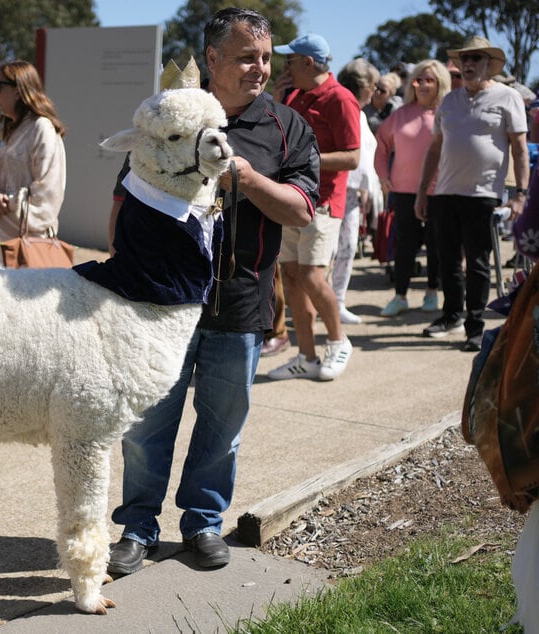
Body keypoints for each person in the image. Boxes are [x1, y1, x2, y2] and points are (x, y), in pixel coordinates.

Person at [106, 7, 317, 575]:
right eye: (248, 56)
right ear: (213, 60)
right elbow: (122, 205)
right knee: (148, 423)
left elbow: (300, 210)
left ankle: (202, 523)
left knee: (222, 428)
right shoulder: (169, 114)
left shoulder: (287, 127)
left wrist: (246, 178)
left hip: (241, 301)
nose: (261, 68)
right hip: (161, 303)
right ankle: (137, 528)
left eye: (267, 58)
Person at [415, 36, 530, 351]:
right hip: (446, 192)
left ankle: (475, 327)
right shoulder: (449, 101)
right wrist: (423, 191)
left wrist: (520, 194)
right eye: (464, 59)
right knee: (447, 261)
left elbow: (520, 150)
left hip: (483, 195)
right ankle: (451, 315)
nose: (468, 64)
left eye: (475, 59)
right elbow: (434, 149)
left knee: (478, 264)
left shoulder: (507, 98)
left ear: (488, 64)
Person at [269, 32, 359, 381]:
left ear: (307, 63)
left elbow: (352, 157)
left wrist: (309, 160)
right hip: (293, 198)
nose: (285, 66)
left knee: (309, 274)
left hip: (322, 204)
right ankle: (306, 357)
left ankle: (338, 342)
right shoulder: (294, 95)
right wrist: (277, 101)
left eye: (290, 60)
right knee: (291, 276)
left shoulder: (340, 99)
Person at [374, 60, 451, 317]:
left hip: (439, 191)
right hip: (404, 191)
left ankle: (432, 292)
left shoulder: (447, 113)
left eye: (430, 80)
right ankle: (400, 296)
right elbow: (381, 146)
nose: (423, 85)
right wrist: (383, 176)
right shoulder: (401, 114)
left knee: (436, 244)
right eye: (419, 79)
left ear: (440, 83)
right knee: (405, 245)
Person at [0, 60, 66, 265]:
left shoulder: (42, 128)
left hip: (30, 251)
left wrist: (1, 203)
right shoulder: (14, 132)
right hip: (2, 248)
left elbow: (47, 199)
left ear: (17, 90)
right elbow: (0, 184)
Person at [334, 58, 382, 325]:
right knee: (329, 249)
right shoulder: (344, 106)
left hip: (354, 192)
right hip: (334, 187)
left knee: (349, 246)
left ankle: (337, 300)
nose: (375, 91)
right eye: (373, 85)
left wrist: (366, 188)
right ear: (361, 84)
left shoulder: (361, 113)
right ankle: (327, 300)